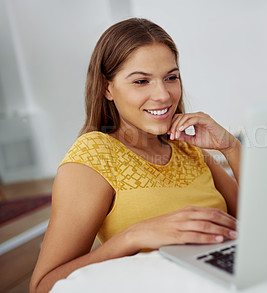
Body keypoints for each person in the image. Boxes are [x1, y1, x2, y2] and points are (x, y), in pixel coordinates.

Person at [30, 18, 241, 293]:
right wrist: (133, 237)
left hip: (225, 279)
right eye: (141, 81)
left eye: (171, 77)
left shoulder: (188, 149)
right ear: (107, 88)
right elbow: (43, 285)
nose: (163, 95)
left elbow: (262, 223)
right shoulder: (94, 154)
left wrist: (231, 147)